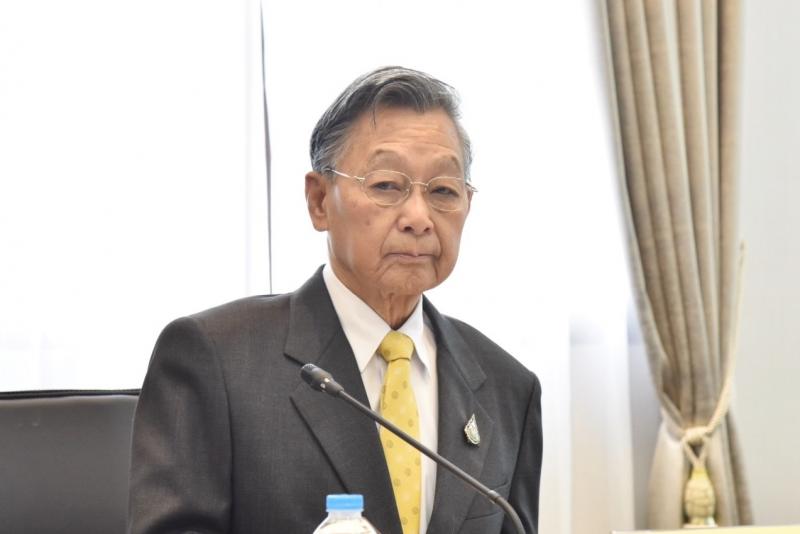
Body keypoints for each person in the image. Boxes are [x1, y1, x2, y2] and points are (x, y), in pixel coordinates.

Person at [128, 66, 542, 534]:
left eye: (444, 191)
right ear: (320, 200)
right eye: (387, 185)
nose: (419, 217)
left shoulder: (508, 387)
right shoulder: (218, 361)